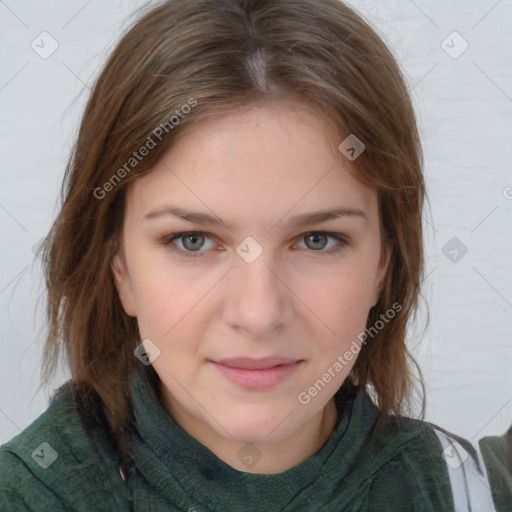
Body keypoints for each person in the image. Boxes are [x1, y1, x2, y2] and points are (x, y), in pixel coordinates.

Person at [0, 0, 508, 510]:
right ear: (120, 268)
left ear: (384, 264)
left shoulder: (475, 491)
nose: (259, 313)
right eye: (192, 240)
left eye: (317, 240)